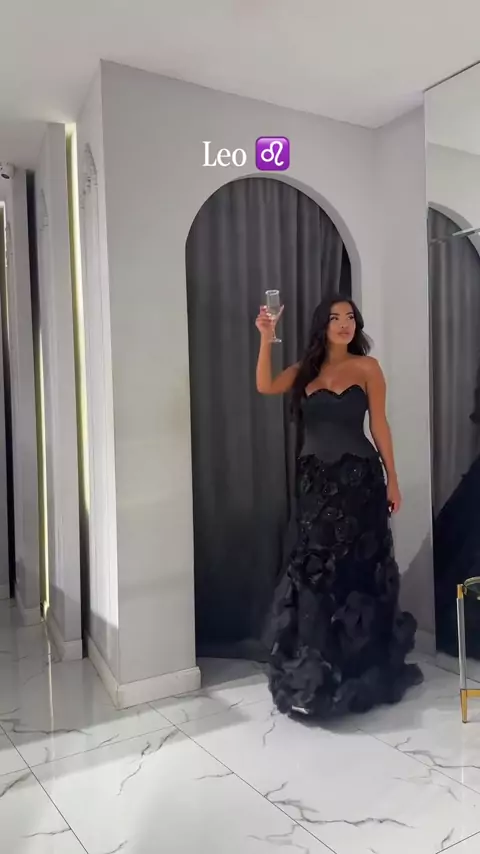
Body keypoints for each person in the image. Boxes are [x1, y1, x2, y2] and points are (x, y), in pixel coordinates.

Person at [256, 295, 423, 718]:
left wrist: (393, 477)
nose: (345, 324)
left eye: (350, 317)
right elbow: (265, 385)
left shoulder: (368, 368)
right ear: (323, 326)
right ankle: (316, 670)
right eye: (336, 318)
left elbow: (379, 424)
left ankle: (358, 668)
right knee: (315, 570)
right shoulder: (304, 371)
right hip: (316, 483)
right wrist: (266, 337)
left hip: (359, 481)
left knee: (358, 568)